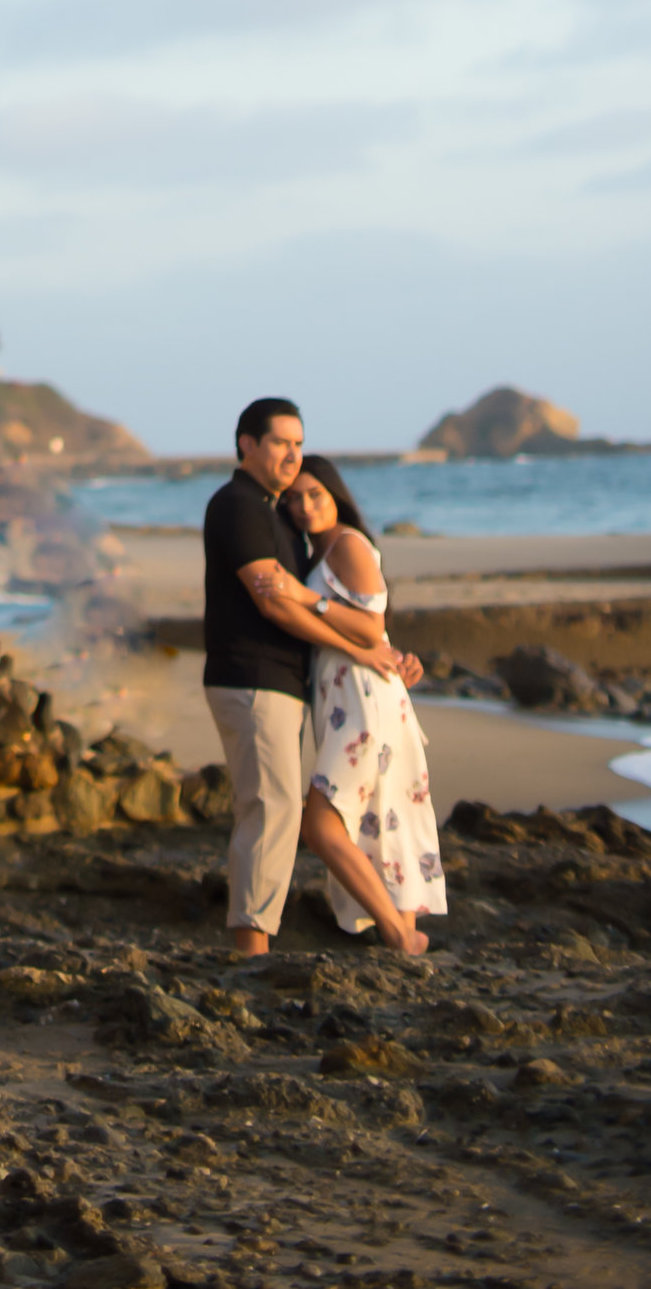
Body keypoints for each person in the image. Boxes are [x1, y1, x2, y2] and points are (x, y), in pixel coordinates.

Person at [201, 396, 427, 959]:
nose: (291, 455)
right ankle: (253, 953)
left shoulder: (281, 518)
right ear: (246, 444)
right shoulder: (240, 506)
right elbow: (276, 605)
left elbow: (361, 616)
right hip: (254, 678)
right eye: (280, 442)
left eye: (298, 445)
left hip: (304, 689)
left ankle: (393, 929)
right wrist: (362, 648)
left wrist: (380, 651)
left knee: (333, 811)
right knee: (275, 810)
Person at [291, 454, 446, 945]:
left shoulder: (348, 543)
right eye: (293, 498)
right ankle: (404, 933)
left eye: (315, 494)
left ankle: (399, 935)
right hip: (350, 697)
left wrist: (303, 597)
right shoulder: (320, 552)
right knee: (380, 818)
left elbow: (370, 625)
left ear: (336, 494)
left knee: (321, 826)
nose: (304, 506)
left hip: (363, 702)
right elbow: (374, 636)